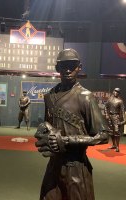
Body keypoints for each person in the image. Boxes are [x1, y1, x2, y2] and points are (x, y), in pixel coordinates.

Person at [34, 48, 110, 200]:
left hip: (76, 166)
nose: (68, 69)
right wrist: (44, 135)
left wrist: (67, 140)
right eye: (63, 65)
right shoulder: (50, 96)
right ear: (57, 68)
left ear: (79, 68)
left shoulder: (85, 97)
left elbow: (103, 135)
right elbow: (48, 126)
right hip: (54, 165)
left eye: (72, 65)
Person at [104, 88, 126, 152]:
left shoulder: (120, 101)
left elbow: (123, 111)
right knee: (111, 131)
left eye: (117, 92)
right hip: (110, 116)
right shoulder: (110, 99)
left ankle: (117, 147)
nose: (116, 92)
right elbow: (105, 106)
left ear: (119, 93)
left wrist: (124, 120)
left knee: (116, 131)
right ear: (113, 91)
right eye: (115, 91)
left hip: (116, 117)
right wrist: (106, 114)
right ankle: (113, 145)